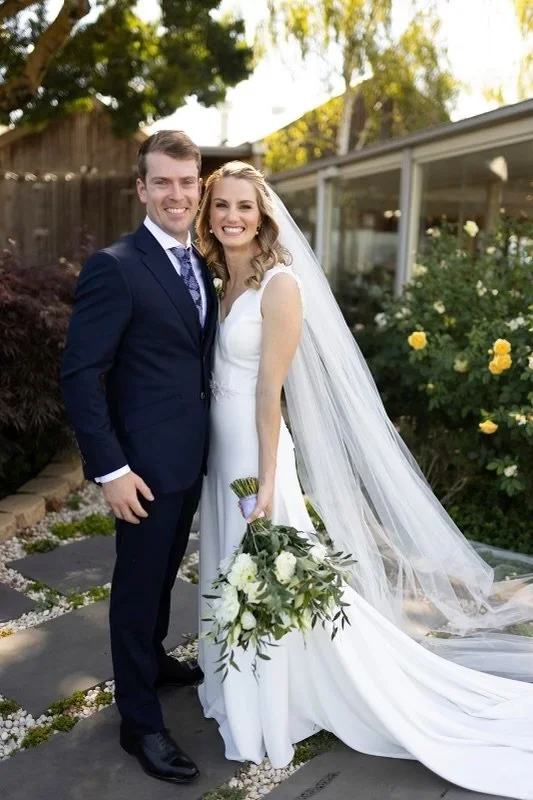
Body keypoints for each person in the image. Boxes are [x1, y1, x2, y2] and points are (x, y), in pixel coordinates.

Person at [195, 161, 533, 799]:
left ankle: (271, 707)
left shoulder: (280, 286)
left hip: (255, 459)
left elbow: (271, 393)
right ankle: (232, 682)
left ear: (263, 215)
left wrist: (267, 483)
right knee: (229, 572)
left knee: (268, 582)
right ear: (209, 215)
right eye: (221, 207)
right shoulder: (225, 279)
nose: (231, 217)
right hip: (220, 457)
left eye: (244, 206)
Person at [61, 131, 218, 784]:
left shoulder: (201, 264)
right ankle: (138, 722)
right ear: (141, 189)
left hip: (188, 461)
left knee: (159, 580)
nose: (176, 194)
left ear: (197, 185)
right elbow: (79, 373)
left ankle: (151, 661)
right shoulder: (116, 265)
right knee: (134, 590)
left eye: (186, 182)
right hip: (142, 473)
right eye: (163, 182)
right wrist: (111, 469)